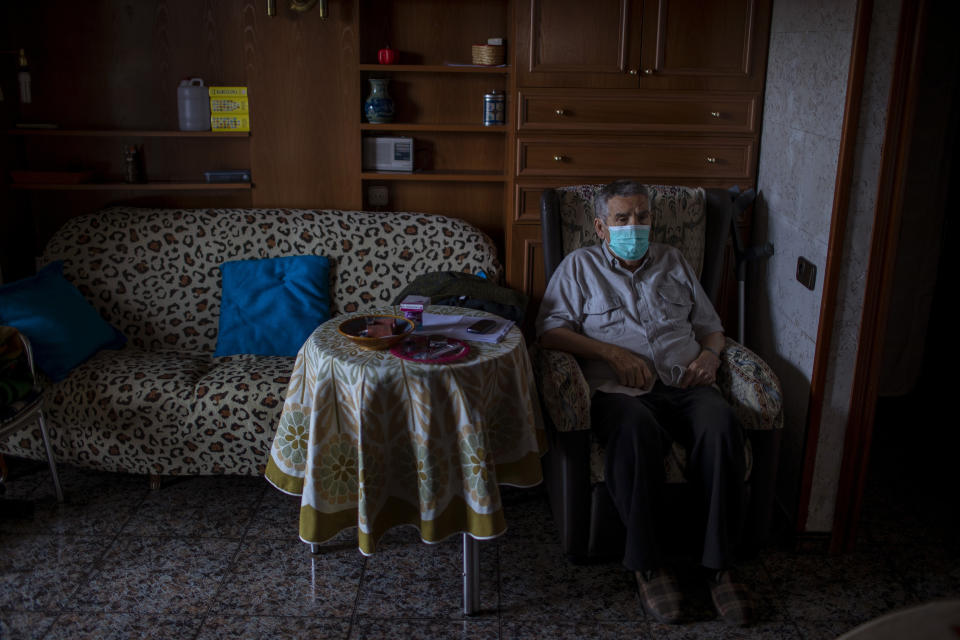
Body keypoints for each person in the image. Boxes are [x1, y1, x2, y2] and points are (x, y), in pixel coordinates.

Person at [536, 179, 753, 626]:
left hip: (686, 384)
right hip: (620, 394)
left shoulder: (674, 262)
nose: (634, 226)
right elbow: (549, 331)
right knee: (637, 431)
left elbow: (711, 327)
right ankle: (649, 566)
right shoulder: (579, 268)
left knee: (722, 424)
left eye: (642, 216)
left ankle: (719, 567)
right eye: (622, 219)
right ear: (601, 226)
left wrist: (711, 357)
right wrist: (611, 353)